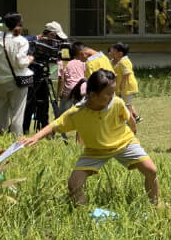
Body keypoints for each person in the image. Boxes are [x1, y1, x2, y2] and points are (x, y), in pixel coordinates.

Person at [21, 70, 162, 206]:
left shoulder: (117, 103)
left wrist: (133, 134)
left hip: (124, 143)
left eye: (113, 92)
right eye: (108, 93)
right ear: (93, 95)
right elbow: (55, 125)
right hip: (95, 150)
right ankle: (82, 211)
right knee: (73, 184)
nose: (112, 96)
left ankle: (156, 204)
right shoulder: (78, 112)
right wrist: (35, 137)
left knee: (151, 170)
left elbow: (130, 119)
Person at [0, 14, 33, 136]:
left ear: (6, 25)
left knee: (1, 108)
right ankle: (16, 136)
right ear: (20, 24)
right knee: (17, 111)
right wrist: (29, 60)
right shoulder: (22, 41)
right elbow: (21, 63)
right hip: (17, 80)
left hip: (1, 79)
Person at [109, 42, 141, 123]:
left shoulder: (124, 61)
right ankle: (135, 117)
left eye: (114, 51)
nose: (111, 52)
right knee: (126, 103)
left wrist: (122, 84)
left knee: (126, 104)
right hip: (122, 87)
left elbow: (127, 73)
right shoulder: (115, 61)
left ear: (120, 53)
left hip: (127, 86)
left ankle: (130, 120)